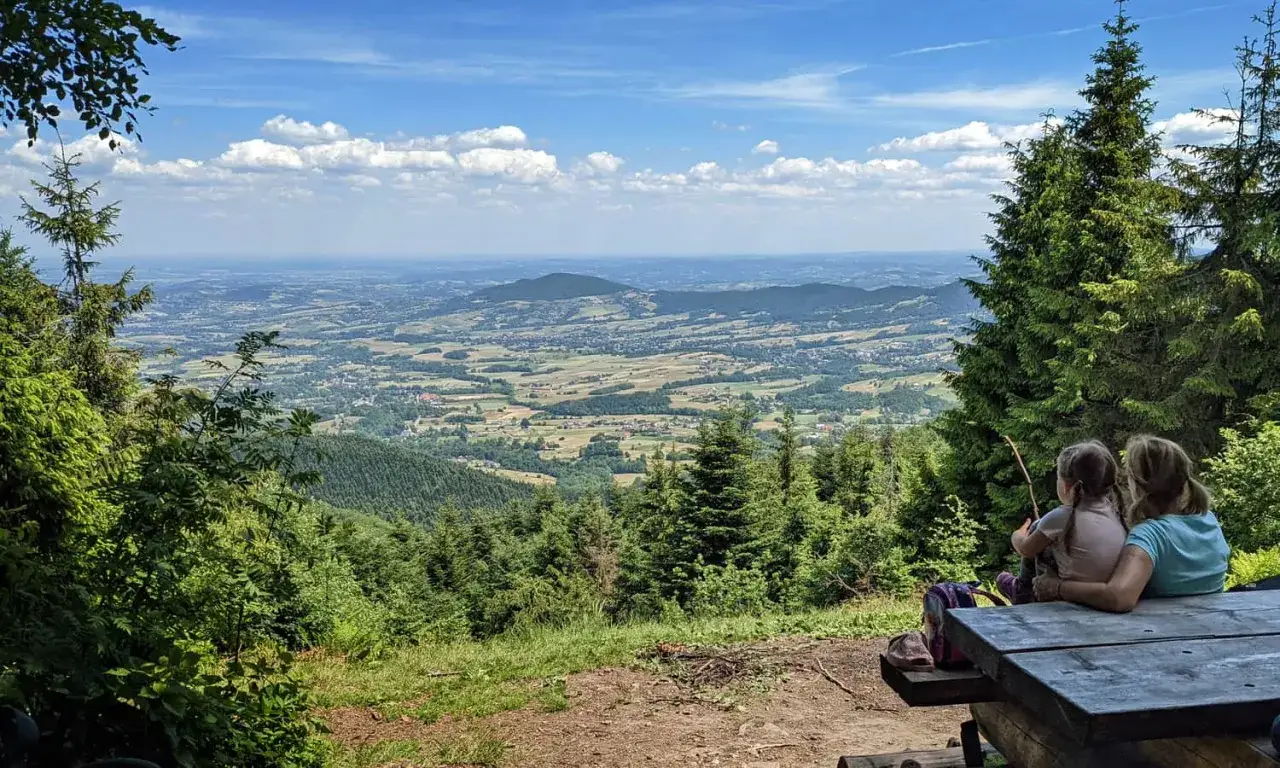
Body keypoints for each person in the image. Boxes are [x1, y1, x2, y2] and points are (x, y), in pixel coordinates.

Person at [1034, 435, 1230, 612]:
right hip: (1211, 623)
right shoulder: (1207, 519)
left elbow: (1119, 597)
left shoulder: (1150, 535)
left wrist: (1057, 587)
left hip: (1161, 634)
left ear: (1138, 484)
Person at [996, 441, 1127, 604]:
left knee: (1038, 527)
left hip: (1072, 597)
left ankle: (1022, 590)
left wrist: (1016, 536)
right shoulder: (1116, 512)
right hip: (1101, 592)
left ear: (1065, 485)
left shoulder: (1062, 516)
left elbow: (1025, 549)